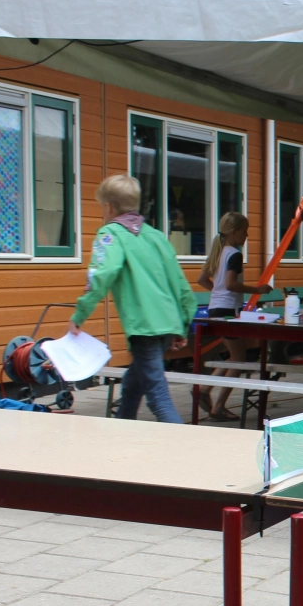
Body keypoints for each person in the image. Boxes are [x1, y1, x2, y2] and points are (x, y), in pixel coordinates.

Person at [69, 174, 197, 423]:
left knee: (158, 398)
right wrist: (181, 325)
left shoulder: (111, 235)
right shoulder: (156, 236)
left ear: (108, 207)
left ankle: (186, 451)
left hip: (144, 328)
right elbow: (180, 284)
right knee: (132, 385)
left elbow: (102, 274)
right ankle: (121, 434)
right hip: (165, 325)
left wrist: (79, 315)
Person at [194, 211, 272, 420]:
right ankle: (217, 405)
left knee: (234, 357)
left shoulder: (218, 252)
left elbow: (202, 279)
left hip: (215, 309)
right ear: (234, 232)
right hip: (228, 311)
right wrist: (258, 290)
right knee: (240, 361)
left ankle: (203, 389)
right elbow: (230, 284)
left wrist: (216, 292)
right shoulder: (235, 255)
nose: (246, 236)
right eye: (244, 232)